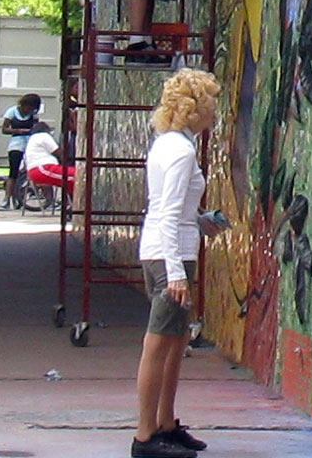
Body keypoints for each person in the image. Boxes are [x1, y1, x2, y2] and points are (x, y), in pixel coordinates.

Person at [132, 69, 224, 458]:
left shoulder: (169, 143)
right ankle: (144, 436)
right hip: (169, 256)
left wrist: (201, 221)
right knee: (159, 344)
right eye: (211, 103)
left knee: (173, 342)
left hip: (170, 249)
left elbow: (174, 209)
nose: (215, 111)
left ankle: (165, 424)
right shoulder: (181, 150)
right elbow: (167, 212)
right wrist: (175, 273)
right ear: (195, 108)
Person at [0, 93, 41, 210]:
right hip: (16, 144)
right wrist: (18, 131)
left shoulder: (33, 115)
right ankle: (7, 199)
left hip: (30, 145)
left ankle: (23, 196)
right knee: (13, 173)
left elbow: (36, 127)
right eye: (28, 108)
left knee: (31, 171)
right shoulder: (12, 112)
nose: (29, 111)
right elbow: (4, 129)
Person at [25, 121, 76, 194]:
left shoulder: (32, 139)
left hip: (35, 171)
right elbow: (58, 152)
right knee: (79, 175)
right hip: (44, 168)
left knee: (70, 181)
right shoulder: (44, 136)